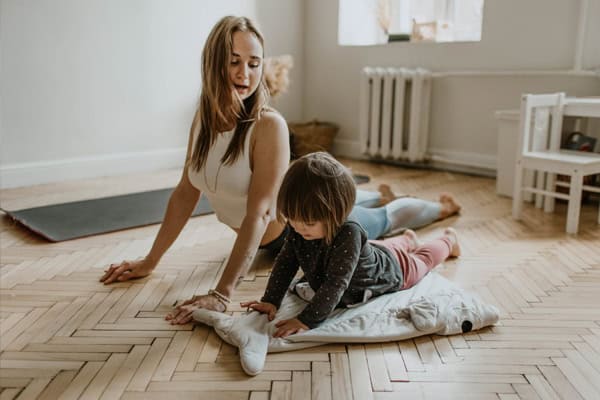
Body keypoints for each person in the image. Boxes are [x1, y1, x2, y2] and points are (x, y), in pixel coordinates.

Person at [100, 15, 461, 320]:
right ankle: (373, 198)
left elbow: (258, 214)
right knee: (358, 202)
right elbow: (184, 194)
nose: (245, 73)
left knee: (384, 220)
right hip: (282, 226)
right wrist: (150, 260)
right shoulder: (203, 120)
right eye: (234, 61)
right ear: (213, 62)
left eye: (254, 63)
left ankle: (440, 208)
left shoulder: (267, 125)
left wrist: (223, 293)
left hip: (304, 231)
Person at [241, 152, 460, 338]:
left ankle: (449, 241)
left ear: (336, 213)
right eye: (292, 219)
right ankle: (408, 239)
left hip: (392, 270)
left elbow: (336, 283)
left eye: (308, 223)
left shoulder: (349, 232)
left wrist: (306, 320)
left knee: (422, 259)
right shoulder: (300, 228)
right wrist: (271, 300)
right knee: (381, 247)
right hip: (372, 251)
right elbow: (286, 262)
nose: (298, 228)